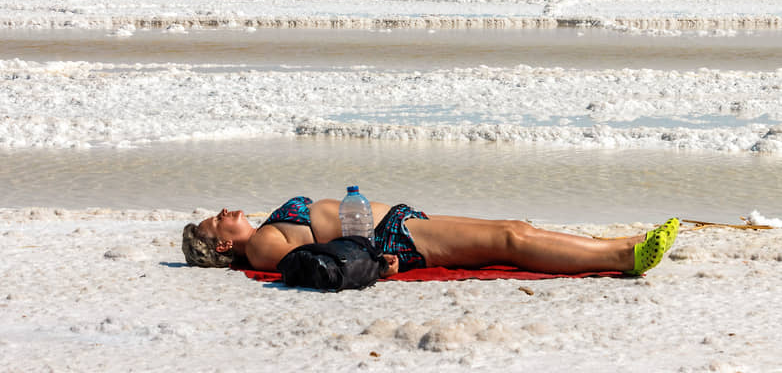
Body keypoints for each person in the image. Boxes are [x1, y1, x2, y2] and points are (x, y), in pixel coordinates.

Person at [182, 196, 679, 277]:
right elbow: (319, 260)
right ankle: (627, 255)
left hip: (395, 227)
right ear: (223, 245)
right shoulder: (264, 246)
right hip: (392, 239)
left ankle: (619, 246)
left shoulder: (266, 232)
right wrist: (378, 263)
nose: (225, 212)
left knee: (512, 232)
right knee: (510, 236)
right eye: (215, 222)